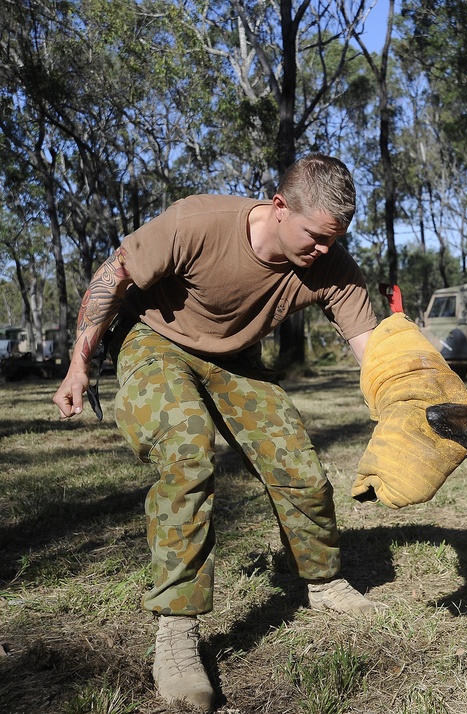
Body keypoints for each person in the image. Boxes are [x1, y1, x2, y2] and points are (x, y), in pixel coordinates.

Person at [53, 154, 383, 712]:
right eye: (315, 235)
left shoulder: (330, 264)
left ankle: (322, 581)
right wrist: (79, 364)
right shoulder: (198, 222)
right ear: (280, 207)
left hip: (235, 358)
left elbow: (370, 347)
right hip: (153, 339)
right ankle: (177, 634)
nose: (324, 250)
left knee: (296, 462)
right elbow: (111, 276)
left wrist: (397, 405)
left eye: (335, 239)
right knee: (188, 454)